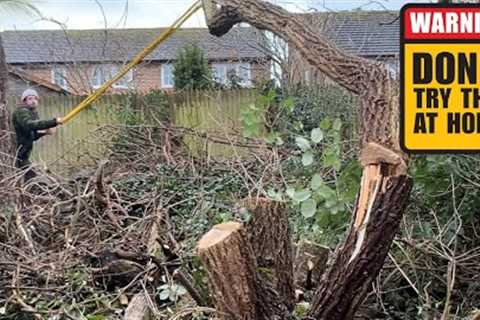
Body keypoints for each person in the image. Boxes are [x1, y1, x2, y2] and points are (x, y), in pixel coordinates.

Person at [12, 89, 62, 181]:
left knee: (30, 176)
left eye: (35, 98)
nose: (33, 101)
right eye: (30, 98)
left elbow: (32, 136)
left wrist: (44, 133)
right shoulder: (21, 112)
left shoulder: (32, 113)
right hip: (16, 154)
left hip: (23, 154)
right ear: (24, 101)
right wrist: (54, 122)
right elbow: (29, 125)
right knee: (32, 176)